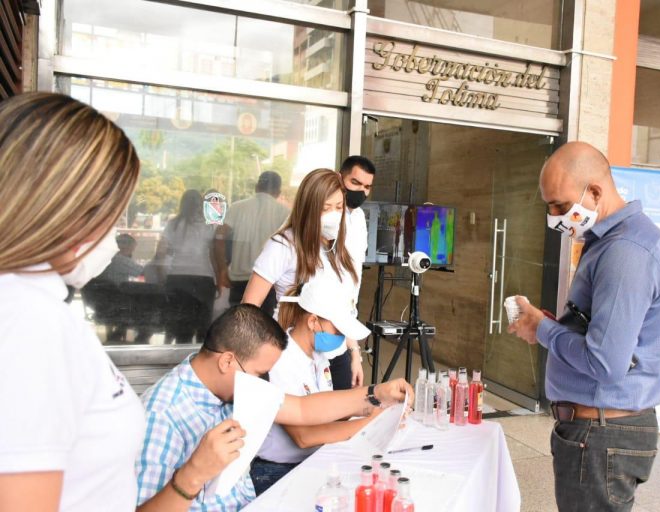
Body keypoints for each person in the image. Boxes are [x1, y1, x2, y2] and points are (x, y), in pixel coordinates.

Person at [508, 141, 660, 511]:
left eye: (560, 205)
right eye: (549, 207)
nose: (554, 217)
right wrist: (550, 325)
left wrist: (543, 329)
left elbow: (604, 363)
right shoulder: (608, 242)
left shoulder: (626, 251)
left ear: (595, 192)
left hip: (601, 436)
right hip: (595, 433)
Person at [0, 92, 145, 510]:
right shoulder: (27, 319)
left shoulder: (32, 305)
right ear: (66, 207)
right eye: (111, 214)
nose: (111, 233)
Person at [135, 303, 411, 511]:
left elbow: (302, 409)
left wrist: (377, 393)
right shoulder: (162, 416)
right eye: (259, 374)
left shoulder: (234, 387)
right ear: (227, 361)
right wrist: (192, 475)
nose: (264, 383)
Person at [251, 276, 379, 493]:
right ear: (312, 322)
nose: (341, 338)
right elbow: (303, 436)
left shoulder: (319, 357)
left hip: (311, 460)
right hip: (276, 471)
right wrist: (370, 424)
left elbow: (326, 414)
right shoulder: (281, 360)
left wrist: (370, 407)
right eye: (338, 331)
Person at [242, 169, 364, 389]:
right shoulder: (283, 246)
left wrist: (354, 353)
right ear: (309, 208)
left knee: (341, 408)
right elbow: (248, 308)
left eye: (339, 207)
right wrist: (254, 362)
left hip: (335, 352)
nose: (334, 214)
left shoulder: (337, 247)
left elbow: (342, 309)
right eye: (326, 208)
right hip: (295, 355)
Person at [214, 171, 289, 314]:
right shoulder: (284, 213)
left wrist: (222, 269)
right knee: (265, 325)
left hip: (239, 281)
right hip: (269, 283)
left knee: (239, 324)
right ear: (278, 192)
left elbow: (219, 237)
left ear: (256, 187)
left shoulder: (237, 207)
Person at [333, 155, 376, 389]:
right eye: (356, 183)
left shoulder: (359, 218)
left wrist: (355, 351)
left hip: (344, 327)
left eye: (367, 187)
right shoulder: (325, 218)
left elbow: (352, 281)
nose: (361, 191)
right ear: (340, 178)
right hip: (315, 326)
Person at [159, 189, 219, 344]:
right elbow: (214, 254)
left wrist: (162, 277)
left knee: (182, 326)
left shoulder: (173, 224)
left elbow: (161, 252)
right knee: (203, 326)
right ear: (201, 204)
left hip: (177, 277)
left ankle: (180, 355)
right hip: (204, 278)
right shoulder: (210, 225)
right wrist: (218, 279)